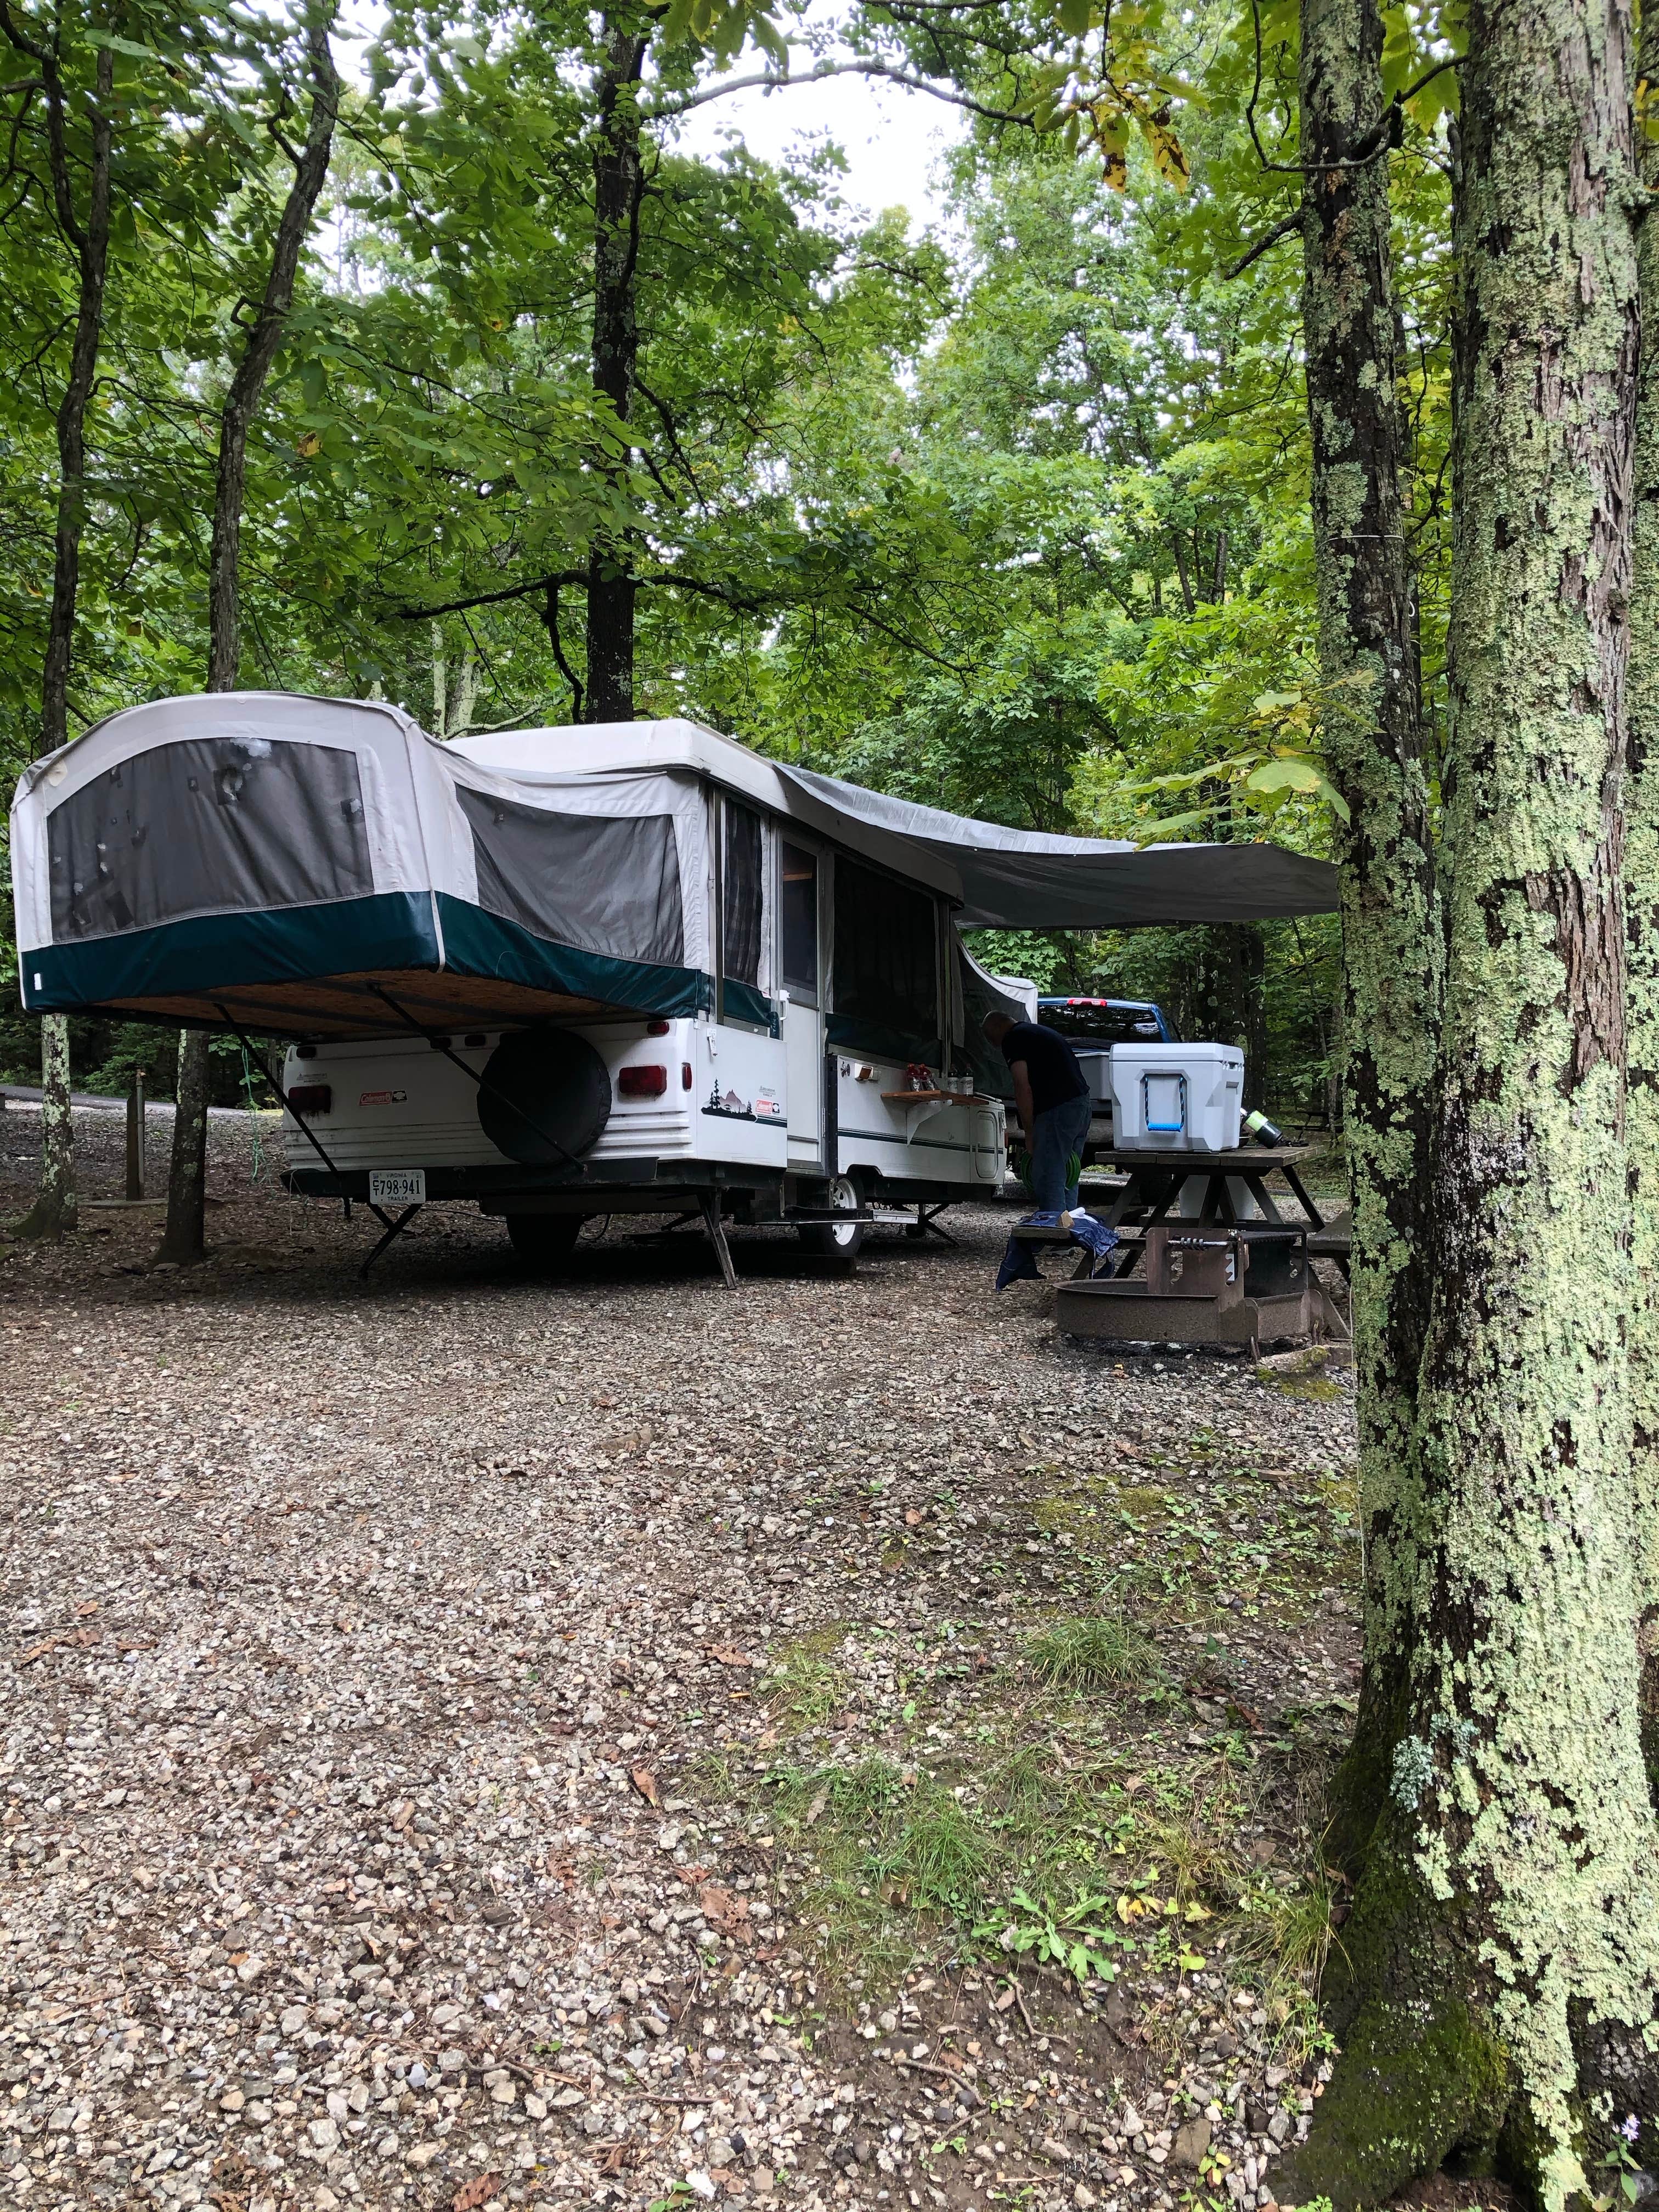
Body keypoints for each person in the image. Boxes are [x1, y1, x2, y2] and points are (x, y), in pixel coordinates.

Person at [983, 1009, 1093, 1212]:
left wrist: (1029, 1133)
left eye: (992, 1041)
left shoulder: (1014, 1038)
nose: (996, 1046)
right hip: (1081, 1104)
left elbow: (1022, 1086)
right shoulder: (1040, 1032)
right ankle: (1070, 1223)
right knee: (1069, 1171)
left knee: (1048, 1173)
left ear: (998, 1030)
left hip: (1057, 1109)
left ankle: (1054, 1228)